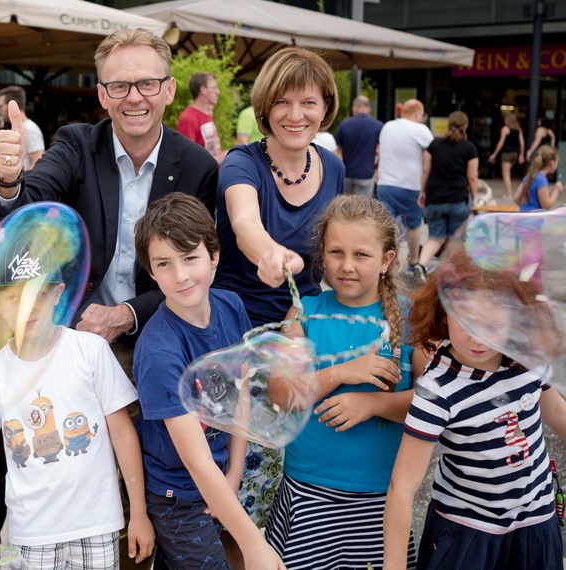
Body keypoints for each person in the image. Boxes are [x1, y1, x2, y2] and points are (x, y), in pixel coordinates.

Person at [0, 28, 218, 347]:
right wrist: (9, 179)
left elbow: (200, 268)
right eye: (120, 86)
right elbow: (27, 207)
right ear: (102, 95)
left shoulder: (197, 166)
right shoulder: (76, 145)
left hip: (160, 336)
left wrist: (127, 314)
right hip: (71, 334)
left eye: (147, 84)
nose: (134, 97)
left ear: (169, 90)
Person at [0, 236, 154, 567]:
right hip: (31, 532)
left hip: (97, 523)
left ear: (57, 293)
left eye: (37, 295)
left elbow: (122, 434)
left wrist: (139, 514)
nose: (26, 309)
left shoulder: (90, 351)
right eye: (12, 299)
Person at [214, 46, 344, 529]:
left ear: (325, 106)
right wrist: (268, 252)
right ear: (265, 106)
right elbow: (244, 223)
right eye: (283, 103)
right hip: (239, 339)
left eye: (309, 102)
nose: (296, 115)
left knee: (298, 478)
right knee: (244, 484)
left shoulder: (332, 167)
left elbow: (335, 251)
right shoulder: (241, 163)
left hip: (301, 334)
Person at [264, 195, 423, 570]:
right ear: (322, 253)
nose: (347, 266)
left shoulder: (410, 316)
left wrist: (373, 405)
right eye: (336, 252)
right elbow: (279, 393)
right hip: (308, 494)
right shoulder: (305, 312)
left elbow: (435, 401)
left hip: (380, 498)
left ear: (386, 260)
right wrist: (342, 372)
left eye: (362, 255)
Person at [383, 249, 566, 570]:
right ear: (444, 312)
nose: (478, 337)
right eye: (467, 321)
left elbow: (556, 413)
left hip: (536, 520)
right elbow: (403, 487)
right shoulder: (438, 388)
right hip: (466, 531)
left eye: (493, 324)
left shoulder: (527, 359)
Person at [131, 193, 284, 570]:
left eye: (190, 258)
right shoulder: (159, 353)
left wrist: (233, 474)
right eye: (164, 264)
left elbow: (241, 393)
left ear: (214, 254)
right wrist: (255, 545)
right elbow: (195, 461)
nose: (180, 276)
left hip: (222, 476)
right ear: (151, 272)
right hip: (179, 497)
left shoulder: (231, 306)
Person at [411, 111, 478, 283]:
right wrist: (475, 198)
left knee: (436, 237)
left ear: (448, 125)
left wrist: (422, 191)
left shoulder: (434, 145)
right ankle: (455, 273)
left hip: (435, 198)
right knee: (457, 238)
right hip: (458, 198)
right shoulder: (469, 148)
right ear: (466, 126)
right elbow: (472, 177)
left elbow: (426, 170)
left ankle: (421, 264)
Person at [376, 99, 434, 271]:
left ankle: (390, 261)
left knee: (388, 225)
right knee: (414, 225)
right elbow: (434, 151)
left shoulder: (387, 126)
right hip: (410, 185)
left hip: (385, 184)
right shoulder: (420, 129)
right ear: (418, 113)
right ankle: (413, 261)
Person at [334, 95, 383, 197]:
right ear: (368, 108)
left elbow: (337, 150)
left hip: (346, 174)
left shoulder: (344, 125)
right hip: (366, 174)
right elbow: (380, 151)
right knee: (363, 207)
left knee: (345, 207)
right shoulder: (378, 126)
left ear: (355, 107)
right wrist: (377, 170)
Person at [0, 85, 45, 170]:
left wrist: (27, 182)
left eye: (0, 106)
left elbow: (37, 163)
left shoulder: (30, 129)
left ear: (11, 105)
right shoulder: (22, 127)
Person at [176, 72, 223, 160]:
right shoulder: (188, 118)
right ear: (203, 90)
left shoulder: (207, 114)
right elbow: (188, 158)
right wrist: (219, 159)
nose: (218, 92)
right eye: (214, 88)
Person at [488, 112, 526, 200]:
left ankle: (508, 194)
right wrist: (521, 154)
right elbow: (522, 143)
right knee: (508, 173)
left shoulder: (505, 129)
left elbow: (501, 143)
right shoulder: (518, 129)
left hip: (507, 153)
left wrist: (494, 154)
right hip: (515, 154)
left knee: (506, 174)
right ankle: (507, 192)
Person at [516, 144, 563, 212]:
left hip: (523, 217)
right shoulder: (542, 181)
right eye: (557, 162)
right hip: (535, 219)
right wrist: (556, 190)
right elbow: (546, 205)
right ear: (552, 163)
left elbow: (516, 198)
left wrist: (525, 208)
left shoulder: (528, 176)